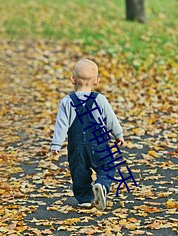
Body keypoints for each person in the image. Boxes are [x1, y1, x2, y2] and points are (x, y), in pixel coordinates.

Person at [51, 59, 124, 210]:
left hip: (76, 146)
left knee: (79, 172)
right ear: (97, 81)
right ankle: (102, 185)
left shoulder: (67, 102)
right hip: (98, 143)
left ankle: (84, 199)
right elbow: (111, 120)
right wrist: (118, 134)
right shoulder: (100, 100)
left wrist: (56, 144)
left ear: (73, 79)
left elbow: (61, 125)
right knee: (108, 166)